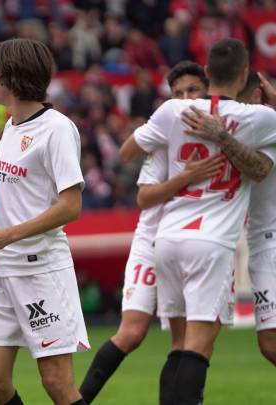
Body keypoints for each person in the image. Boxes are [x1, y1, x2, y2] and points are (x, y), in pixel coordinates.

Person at [119, 39, 276, 404]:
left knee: (177, 345)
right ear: (243, 75)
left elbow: (127, 152)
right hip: (211, 242)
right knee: (198, 344)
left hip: (167, 239)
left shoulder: (174, 110)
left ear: (206, 74)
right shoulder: (260, 119)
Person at [0, 38, 88, 405]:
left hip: (42, 270)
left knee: (56, 383)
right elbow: (10, 192)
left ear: (12, 76)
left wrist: (4, 236)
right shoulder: (12, 125)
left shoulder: (57, 129)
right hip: (3, 270)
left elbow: (70, 206)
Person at [79, 61, 220, 404]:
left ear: (208, 93)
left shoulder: (226, 135)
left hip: (197, 241)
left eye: (193, 91)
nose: (186, 100)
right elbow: (143, 197)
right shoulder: (163, 139)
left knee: (186, 343)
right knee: (132, 333)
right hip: (154, 238)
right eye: (178, 93)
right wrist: (185, 177)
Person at [178, 69, 276, 367]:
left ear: (256, 96)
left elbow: (258, 170)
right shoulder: (261, 125)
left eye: (236, 101)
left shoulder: (263, 126)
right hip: (262, 243)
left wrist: (221, 135)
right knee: (270, 343)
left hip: (271, 243)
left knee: (270, 343)